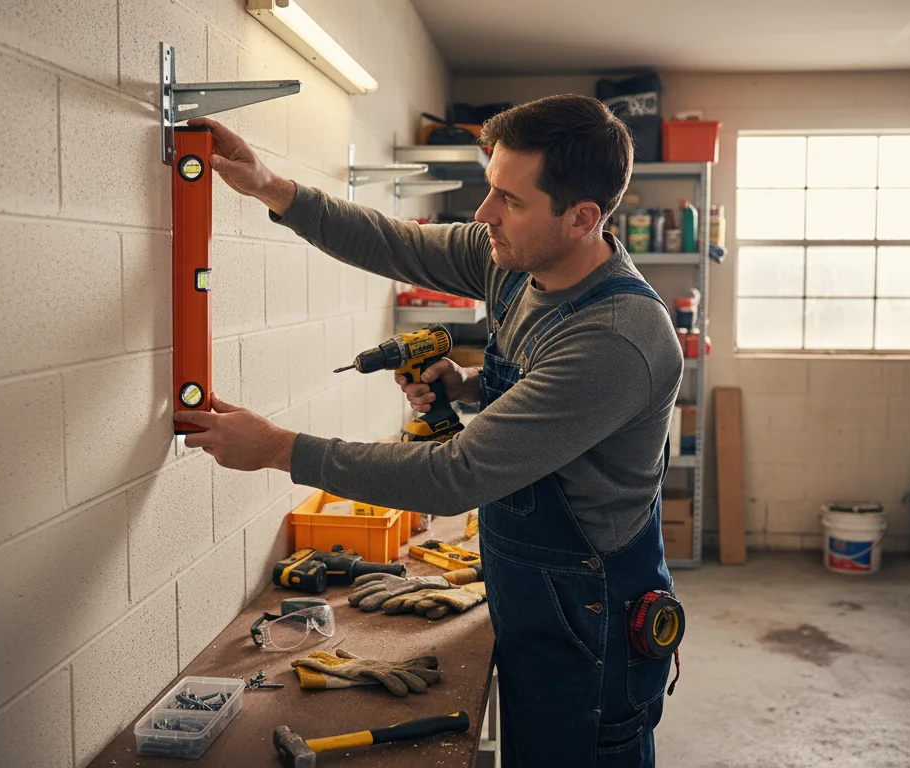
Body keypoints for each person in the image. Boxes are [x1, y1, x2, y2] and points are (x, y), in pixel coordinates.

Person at [177, 94, 683, 767]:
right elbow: (397, 242)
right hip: (531, 589)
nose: (484, 214)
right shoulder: (515, 261)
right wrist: (269, 186)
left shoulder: (618, 340)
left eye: (509, 199)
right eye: (488, 187)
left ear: (582, 219)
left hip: (591, 615)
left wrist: (277, 449)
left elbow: (456, 476)